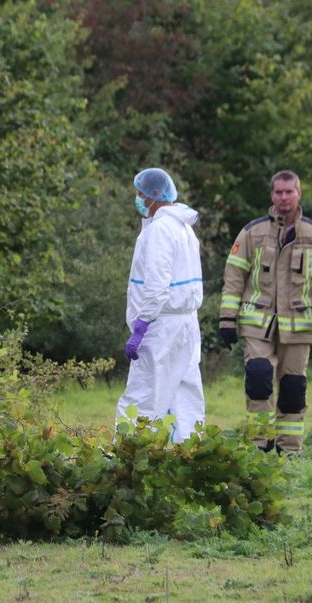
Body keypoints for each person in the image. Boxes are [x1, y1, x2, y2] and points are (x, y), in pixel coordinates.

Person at [218, 170, 312, 455]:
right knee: (259, 377)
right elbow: (234, 274)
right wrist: (227, 318)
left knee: (292, 388)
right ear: (272, 195)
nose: (284, 197)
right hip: (256, 323)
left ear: (299, 193)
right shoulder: (252, 232)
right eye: (278, 192)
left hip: (299, 324)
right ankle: (259, 443)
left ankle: (289, 450)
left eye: (289, 192)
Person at [116, 168, 206, 443]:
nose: (138, 198)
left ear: (154, 196)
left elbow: (156, 283)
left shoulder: (160, 230)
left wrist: (142, 324)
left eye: (141, 194)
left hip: (161, 324)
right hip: (186, 324)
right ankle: (189, 455)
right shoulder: (183, 227)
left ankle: (128, 458)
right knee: (183, 393)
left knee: (143, 393)